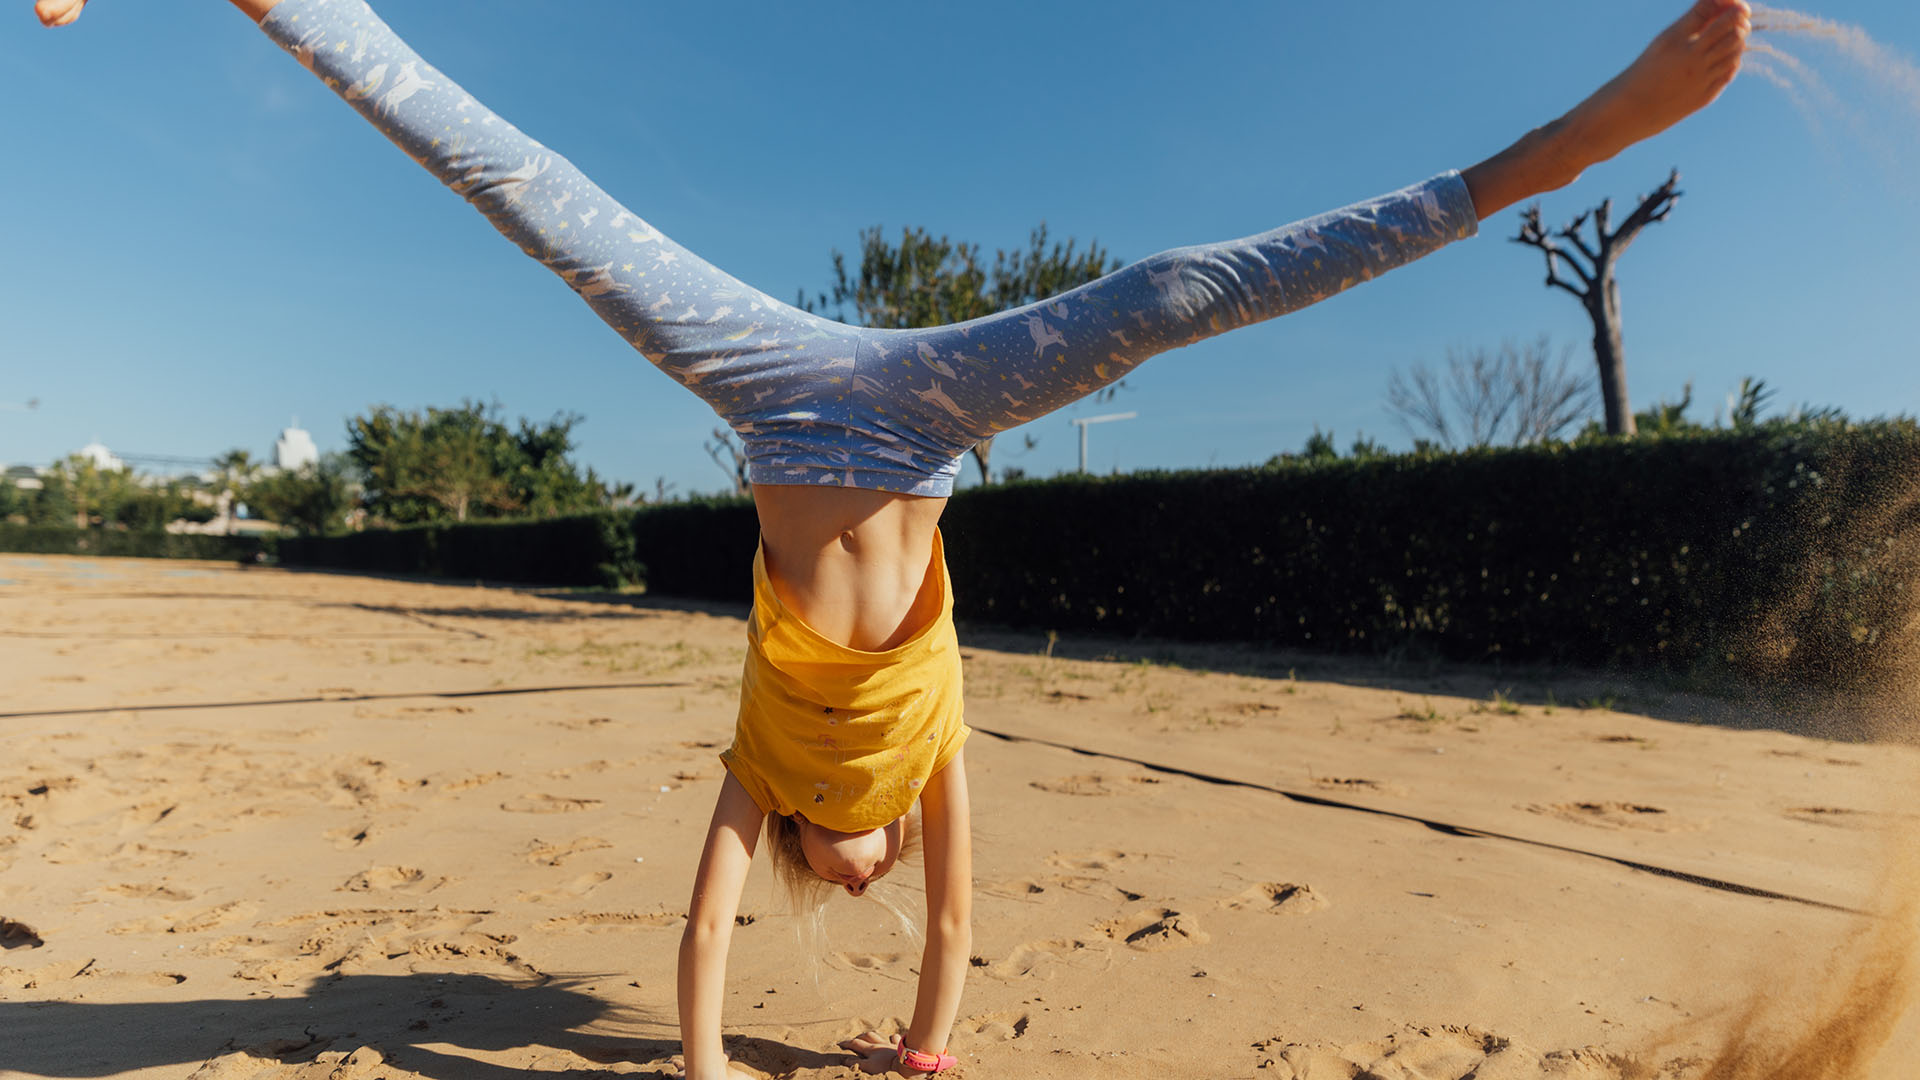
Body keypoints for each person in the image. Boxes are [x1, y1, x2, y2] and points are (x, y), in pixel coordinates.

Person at [34, 0, 1751, 1074]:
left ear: (803, 844)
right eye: (877, 877)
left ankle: (1534, 160)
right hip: (933, 413)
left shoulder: (766, 766)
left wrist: (706, 1074)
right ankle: (1514, 169)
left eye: (843, 877)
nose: (874, 880)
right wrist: (926, 1055)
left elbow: (701, 940)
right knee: (1157, 295)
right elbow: (955, 932)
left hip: (777, 392)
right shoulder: (926, 762)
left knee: (529, 192)